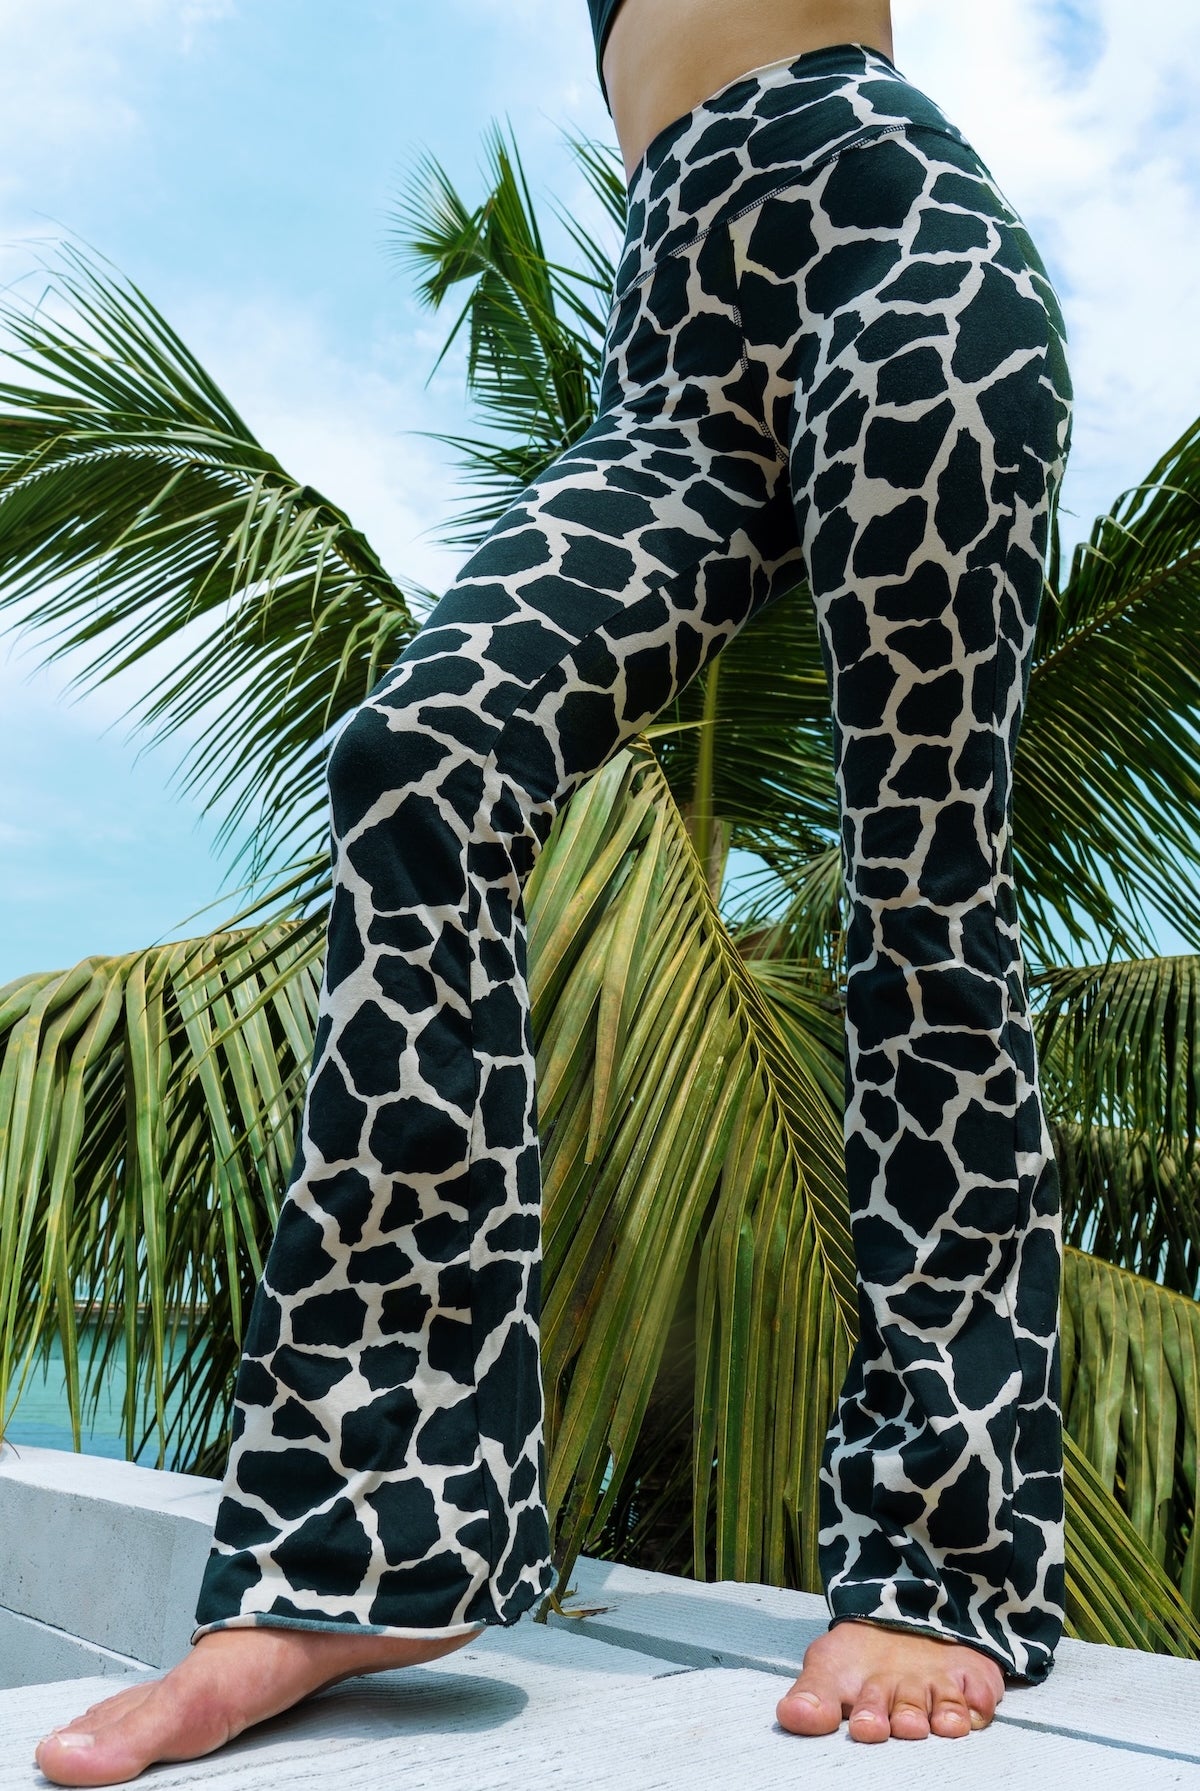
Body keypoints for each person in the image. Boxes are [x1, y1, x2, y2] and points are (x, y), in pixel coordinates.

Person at [35, 0, 1072, 1781]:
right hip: (668, 357)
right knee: (421, 760)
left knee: (920, 898)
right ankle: (383, 1528)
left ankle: (945, 1548)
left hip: (896, 248)